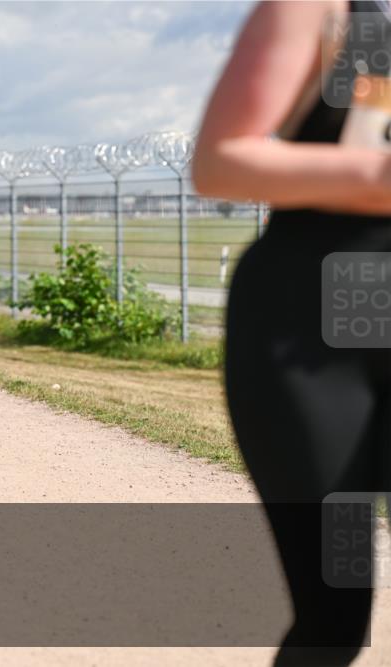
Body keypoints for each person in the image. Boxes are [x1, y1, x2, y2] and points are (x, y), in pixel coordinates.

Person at [192, 1, 390, 664]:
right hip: (310, 330)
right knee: (335, 610)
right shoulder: (325, 7)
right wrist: (376, 177)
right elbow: (219, 162)